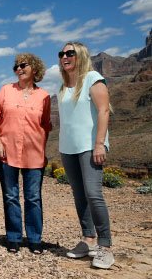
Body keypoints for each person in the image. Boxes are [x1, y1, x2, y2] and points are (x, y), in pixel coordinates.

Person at [0, 53, 52, 255]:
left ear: (34, 68)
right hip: (6, 152)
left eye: (23, 65)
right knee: (11, 196)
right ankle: (13, 238)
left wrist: (42, 149)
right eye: (15, 66)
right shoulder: (6, 90)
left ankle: (34, 239)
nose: (18, 69)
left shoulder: (44, 96)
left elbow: (46, 126)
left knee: (33, 197)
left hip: (34, 155)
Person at [58, 41, 114, 269]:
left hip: (90, 146)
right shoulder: (62, 87)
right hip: (67, 148)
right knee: (79, 196)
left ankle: (105, 246)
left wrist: (100, 144)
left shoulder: (92, 78)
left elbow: (103, 110)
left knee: (93, 194)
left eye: (70, 53)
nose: (64, 56)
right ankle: (88, 239)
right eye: (61, 53)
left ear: (80, 55)